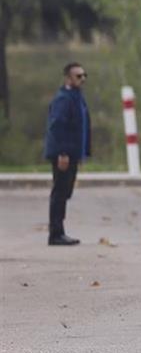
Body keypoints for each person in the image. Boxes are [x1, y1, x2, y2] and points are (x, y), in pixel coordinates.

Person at [43, 62, 90, 246]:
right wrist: (62, 153)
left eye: (84, 75)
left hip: (72, 153)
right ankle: (55, 233)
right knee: (60, 192)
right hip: (64, 154)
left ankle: (59, 230)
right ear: (68, 78)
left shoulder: (76, 97)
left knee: (66, 191)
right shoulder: (63, 98)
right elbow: (57, 127)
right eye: (78, 76)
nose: (83, 79)